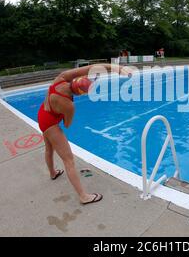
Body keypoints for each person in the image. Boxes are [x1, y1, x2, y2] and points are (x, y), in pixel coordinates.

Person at [37, 64, 131, 205]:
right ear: (80, 93)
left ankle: (52, 173)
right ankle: (83, 196)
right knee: (69, 160)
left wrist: (115, 67)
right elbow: (67, 125)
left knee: (49, 148)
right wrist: (66, 112)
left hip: (42, 114)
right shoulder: (69, 105)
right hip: (51, 124)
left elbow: (91, 67)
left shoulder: (60, 78)